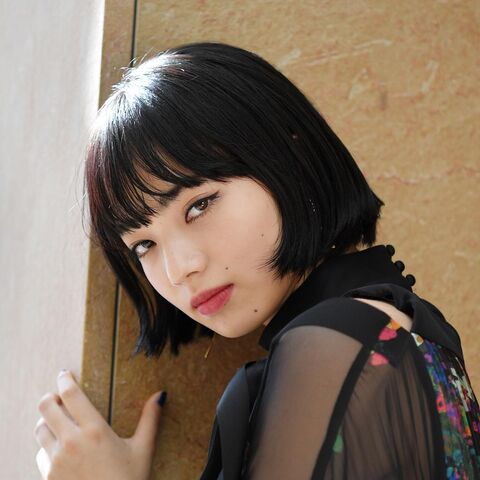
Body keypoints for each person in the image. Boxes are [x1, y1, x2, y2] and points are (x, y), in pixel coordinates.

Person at [34, 42, 480, 479]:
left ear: (289, 155)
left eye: (199, 205)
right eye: (144, 245)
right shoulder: (386, 331)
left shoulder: (337, 343)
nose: (178, 269)